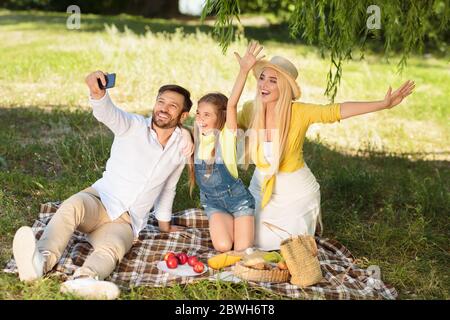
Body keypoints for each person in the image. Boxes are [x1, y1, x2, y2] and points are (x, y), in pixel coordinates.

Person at [12, 71, 194, 299]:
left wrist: (165, 226)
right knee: (72, 206)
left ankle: (84, 280)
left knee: (113, 248)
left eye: (172, 106)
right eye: (160, 102)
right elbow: (108, 113)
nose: (163, 109)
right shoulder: (133, 126)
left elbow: (169, 188)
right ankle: (39, 262)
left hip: (127, 221)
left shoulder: (180, 146)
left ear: (184, 115)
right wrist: (98, 94)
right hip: (99, 201)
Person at [237, 55, 415, 251]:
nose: (264, 85)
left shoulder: (298, 112)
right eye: (262, 78)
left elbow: (335, 111)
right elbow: (226, 124)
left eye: (273, 80)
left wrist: (382, 104)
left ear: (285, 87)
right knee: (246, 241)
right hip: (260, 188)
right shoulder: (250, 109)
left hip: (295, 194)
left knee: (281, 247)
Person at [189, 42, 265, 253]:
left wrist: (244, 70)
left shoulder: (226, 137)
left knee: (242, 250)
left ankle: (241, 223)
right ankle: (230, 225)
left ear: (220, 117)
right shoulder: (195, 137)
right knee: (223, 246)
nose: (200, 119)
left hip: (239, 202)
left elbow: (231, 104)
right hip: (214, 204)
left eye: (206, 115)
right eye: (198, 113)